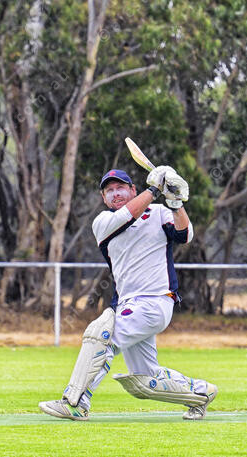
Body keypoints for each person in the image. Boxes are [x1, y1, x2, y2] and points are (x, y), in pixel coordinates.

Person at [39, 167, 217, 421]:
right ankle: (201, 393)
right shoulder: (103, 223)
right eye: (109, 190)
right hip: (129, 304)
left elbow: (184, 235)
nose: (115, 193)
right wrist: (154, 190)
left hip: (154, 302)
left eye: (120, 188)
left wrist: (176, 203)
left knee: (101, 337)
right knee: (145, 379)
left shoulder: (158, 213)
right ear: (103, 198)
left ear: (133, 190)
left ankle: (76, 402)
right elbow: (127, 216)